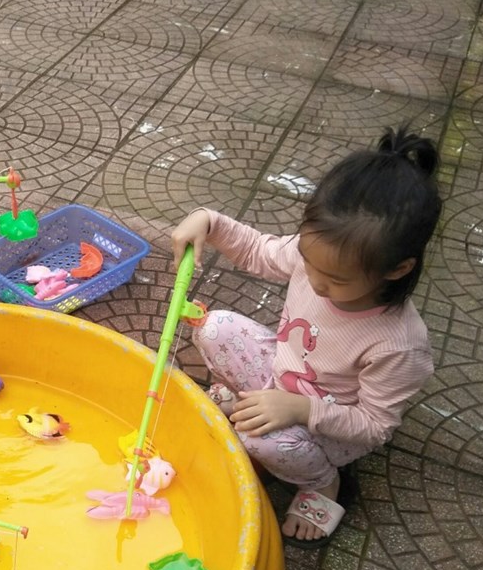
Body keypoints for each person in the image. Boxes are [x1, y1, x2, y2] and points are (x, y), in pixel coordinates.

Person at [170, 127, 442, 548]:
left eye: (335, 279)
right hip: (286, 377)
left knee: (258, 438)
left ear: (397, 269)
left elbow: (374, 426)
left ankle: (322, 482)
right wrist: (209, 220)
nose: (313, 280)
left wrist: (300, 409)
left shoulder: (398, 344)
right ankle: (247, 396)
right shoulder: (319, 256)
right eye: (307, 262)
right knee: (214, 326)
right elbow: (258, 250)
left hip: (330, 425)